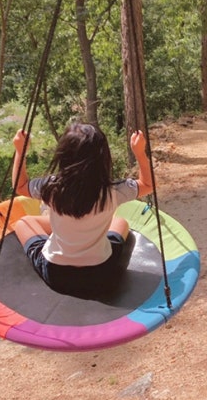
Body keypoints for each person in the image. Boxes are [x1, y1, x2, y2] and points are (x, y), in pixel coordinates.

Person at [11, 123, 153, 298]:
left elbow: (20, 185)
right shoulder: (113, 191)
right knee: (120, 222)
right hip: (102, 276)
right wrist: (139, 153)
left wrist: (20, 151)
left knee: (23, 223)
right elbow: (148, 184)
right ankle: (77, 230)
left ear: (63, 156)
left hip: (57, 275)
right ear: (103, 158)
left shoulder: (51, 187)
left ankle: (66, 229)